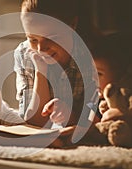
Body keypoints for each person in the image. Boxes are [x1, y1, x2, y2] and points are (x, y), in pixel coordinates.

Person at [14, 0, 100, 128]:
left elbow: (97, 120)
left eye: (51, 38)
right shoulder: (25, 54)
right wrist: (40, 73)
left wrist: (71, 116)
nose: (40, 48)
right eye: (33, 39)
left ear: (72, 24)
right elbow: (33, 122)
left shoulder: (92, 56)